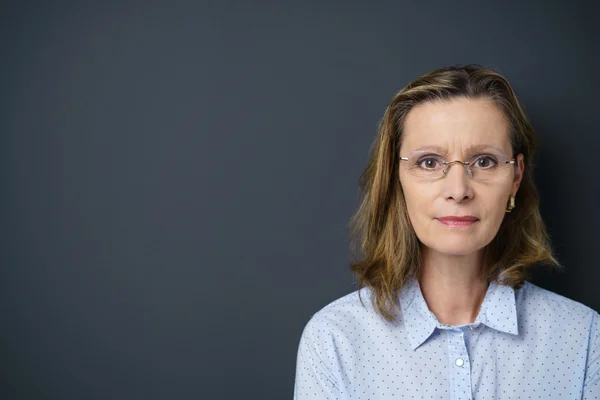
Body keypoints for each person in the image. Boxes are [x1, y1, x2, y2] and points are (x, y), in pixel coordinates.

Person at [293, 64, 599, 399]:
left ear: (516, 178)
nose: (458, 190)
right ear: (396, 177)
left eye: (484, 161)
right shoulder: (334, 341)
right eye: (429, 162)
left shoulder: (583, 339)